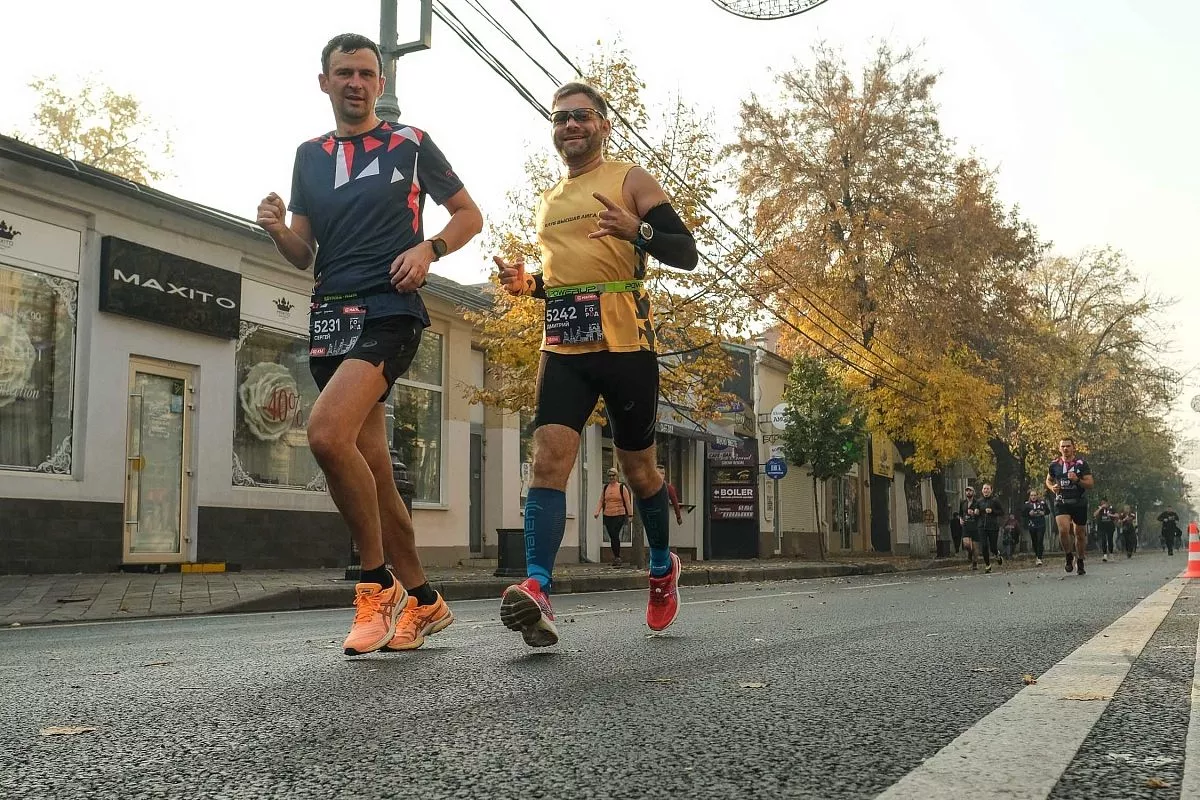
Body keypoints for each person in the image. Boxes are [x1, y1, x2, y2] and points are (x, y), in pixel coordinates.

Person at [256, 33, 483, 655]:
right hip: (331, 315)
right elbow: (303, 252)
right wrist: (276, 229)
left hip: (390, 309)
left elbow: (469, 215)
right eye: (343, 73)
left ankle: (376, 585)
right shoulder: (309, 156)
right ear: (324, 82)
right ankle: (426, 600)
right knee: (375, 470)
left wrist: (430, 248)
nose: (355, 83)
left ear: (380, 84)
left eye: (365, 73)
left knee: (327, 434)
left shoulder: (411, 143)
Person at [493, 81, 699, 647]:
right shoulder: (550, 200)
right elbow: (567, 278)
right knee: (547, 461)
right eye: (560, 118)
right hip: (563, 344)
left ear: (603, 125)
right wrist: (529, 284)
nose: (570, 125)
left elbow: (686, 252)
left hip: (626, 345)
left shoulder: (630, 179)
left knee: (639, 471)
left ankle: (661, 568)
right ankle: (537, 587)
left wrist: (641, 231)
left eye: (582, 116)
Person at [1046, 438, 1095, 576]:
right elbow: (1048, 480)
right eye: (1063, 446)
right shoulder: (1054, 464)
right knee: (1063, 530)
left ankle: (1080, 559)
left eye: (1068, 446)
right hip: (1062, 501)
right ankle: (1068, 555)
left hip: (1078, 502)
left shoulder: (1081, 464)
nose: (1065, 449)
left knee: (1080, 534)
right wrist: (1052, 487)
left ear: (1074, 448)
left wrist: (1077, 480)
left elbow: (1090, 484)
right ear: (1059, 448)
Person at [594, 467, 633, 566]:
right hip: (608, 515)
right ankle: (616, 557)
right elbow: (601, 501)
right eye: (609, 476)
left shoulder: (621, 487)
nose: (611, 477)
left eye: (613, 475)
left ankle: (617, 557)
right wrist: (597, 511)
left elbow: (627, 502)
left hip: (619, 514)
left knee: (615, 534)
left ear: (617, 476)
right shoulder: (606, 488)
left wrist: (630, 514)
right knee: (612, 536)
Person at [974, 484, 1005, 573]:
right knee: (984, 546)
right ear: (982, 490)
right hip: (982, 526)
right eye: (984, 489)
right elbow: (976, 513)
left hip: (993, 526)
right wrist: (976, 512)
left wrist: (992, 511)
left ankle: (997, 554)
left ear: (991, 490)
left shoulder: (995, 500)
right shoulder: (979, 501)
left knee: (993, 547)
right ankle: (988, 565)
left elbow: (1002, 512)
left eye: (987, 489)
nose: (986, 490)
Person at [1022, 490, 1050, 566]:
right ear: (1030, 496)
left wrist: (1043, 512)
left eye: (1035, 495)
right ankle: (1037, 554)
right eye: (1032, 495)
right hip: (1032, 525)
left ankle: (1039, 558)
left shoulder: (1042, 503)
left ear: (1037, 496)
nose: (1033, 497)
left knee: (1040, 540)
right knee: (1034, 541)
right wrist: (1029, 513)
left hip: (1041, 524)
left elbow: (1048, 511)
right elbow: (1023, 514)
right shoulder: (1027, 504)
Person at [959, 487, 979, 570]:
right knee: (966, 545)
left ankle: (975, 563)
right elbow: (960, 513)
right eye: (967, 491)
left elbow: (980, 513)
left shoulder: (977, 502)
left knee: (975, 547)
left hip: (975, 526)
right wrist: (960, 519)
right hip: (966, 526)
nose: (968, 492)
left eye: (970, 491)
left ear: (973, 492)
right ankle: (970, 554)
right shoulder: (963, 502)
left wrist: (974, 513)